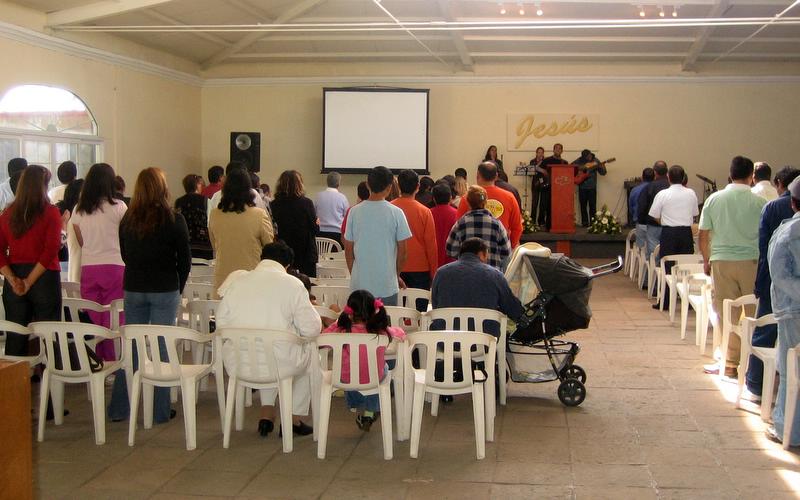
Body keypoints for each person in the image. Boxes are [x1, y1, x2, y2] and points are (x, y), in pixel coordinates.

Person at [108, 167, 191, 423]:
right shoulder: (174, 219)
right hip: (164, 287)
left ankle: (120, 408)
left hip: (134, 286)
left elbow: (125, 254)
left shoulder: (128, 220)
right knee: (162, 347)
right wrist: (177, 287)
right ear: (163, 188)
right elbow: (184, 260)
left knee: (132, 347)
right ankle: (159, 411)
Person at [217, 241, 320, 437]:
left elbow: (221, 324)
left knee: (268, 352)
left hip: (238, 363)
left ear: (261, 259)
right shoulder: (292, 284)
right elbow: (312, 329)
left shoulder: (238, 281)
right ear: (287, 266)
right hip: (279, 363)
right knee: (308, 355)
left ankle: (266, 413)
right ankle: (293, 419)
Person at [699, 156, 767, 377]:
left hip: (722, 261)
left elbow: (703, 234)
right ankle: (755, 364)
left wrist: (707, 260)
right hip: (752, 262)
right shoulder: (760, 202)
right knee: (754, 313)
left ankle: (729, 363)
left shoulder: (714, 199)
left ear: (730, 174)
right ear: (751, 177)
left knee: (726, 313)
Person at [746, 166, 800, 398]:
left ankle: (756, 385)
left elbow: (765, 251)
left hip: (777, 287)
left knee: (766, 334)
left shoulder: (773, 209)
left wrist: (759, 284)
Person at [0, 165, 62, 357]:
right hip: (44, 276)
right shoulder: (50, 212)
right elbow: (51, 249)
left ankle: (15, 375)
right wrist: (29, 281)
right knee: (49, 335)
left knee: (16, 336)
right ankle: (51, 374)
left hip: (15, 274)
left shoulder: (8, 213)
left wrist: (13, 279)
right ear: (43, 186)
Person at [322, 289, 405, 431]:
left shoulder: (341, 331)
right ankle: (370, 412)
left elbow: (323, 339)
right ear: (374, 311)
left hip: (345, 379)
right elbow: (401, 335)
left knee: (353, 371)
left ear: (349, 311)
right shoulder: (380, 331)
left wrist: (337, 323)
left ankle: (357, 404)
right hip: (374, 378)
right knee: (381, 369)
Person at [71, 163, 127, 360]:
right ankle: (113, 360)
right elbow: (126, 238)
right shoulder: (119, 207)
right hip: (115, 266)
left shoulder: (79, 209)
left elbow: (81, 241)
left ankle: (98, 359)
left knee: (94, 316)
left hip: (89, 267)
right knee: (114, 317)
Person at [764, 176, 800, 446]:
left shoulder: (789, 232)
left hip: (793, 311)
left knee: (791, 372)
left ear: (793, 203)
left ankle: (787, 430)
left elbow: (779, 274)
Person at [344, 166, 411, 306]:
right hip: (387, 284)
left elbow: (348, 249)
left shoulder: (354, 212)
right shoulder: (397, 213)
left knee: (360, 320)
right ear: (389, 187)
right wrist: (395, 275)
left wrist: (355, 273)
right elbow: (403, 252)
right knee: (385, 319)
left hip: (359, 285)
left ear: (367, 185)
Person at [432, 237, 524, 337]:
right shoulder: (495, 275)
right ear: (481, 253)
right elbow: (512, 308)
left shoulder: (441, 273)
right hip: (484, 341)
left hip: (444, 339)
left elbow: (435, 306)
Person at [208, 167, 274, 292]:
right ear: (249, 190)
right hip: (251, 277)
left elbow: (214, 245)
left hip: (223, 279)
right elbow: (269, 247)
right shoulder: (259, 215)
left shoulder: (214, 214)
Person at [648, 165, 699, 309]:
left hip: (669, 233)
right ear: (683, 178)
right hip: (685, 233)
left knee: (667, 266)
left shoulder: (663, 194)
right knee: (686, 266)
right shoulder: (691, 193)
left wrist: (665, 221)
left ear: (668, 177)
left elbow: (654, 214)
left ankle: (665, 302)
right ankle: (687, 301)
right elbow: (695, 213)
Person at [391, 170, 438, 297]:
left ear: (399, 186)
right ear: (418, 187)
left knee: (395, 307)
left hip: (394, 267)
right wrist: (434, 273)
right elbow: (431, 246)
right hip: (420, 269)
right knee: (418, 307)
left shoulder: (390, 209)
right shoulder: (425, 212)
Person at [456, 162, 522, 248]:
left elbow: (458, 226)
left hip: (473, 250)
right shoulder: (509, 197)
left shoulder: (467, 198)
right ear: (496, 176)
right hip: (500, 249)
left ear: (477, 175)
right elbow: (517, 228)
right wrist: (510, 247)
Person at [447, 185, 511, 269]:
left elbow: (451, 250)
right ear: (485, 202)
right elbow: (506, 251)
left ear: (468, 202)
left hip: (467, 272)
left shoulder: (460, 224)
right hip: (491, 273)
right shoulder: (497, 224)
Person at [271, 170, 319, 277]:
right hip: (305, 252)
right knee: (306, 282)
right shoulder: (307, 203)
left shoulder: (274, 204)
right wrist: (317, 223)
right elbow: (315, 229)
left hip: (283, 252)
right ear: (299, 185)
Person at [637, 161, 670, 263]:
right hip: (670, 225)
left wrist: (642, 221)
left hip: (653, 225)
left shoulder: (650, 187)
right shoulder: (671, 186)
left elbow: (642, 206)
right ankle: (665, 271)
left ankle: (653, 271)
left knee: (653, 254)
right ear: (667, 172)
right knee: (668, 252)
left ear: (655, 172)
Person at [174, 174, 212, 260]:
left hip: (184, 243)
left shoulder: (179, 202)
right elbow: (210, 222)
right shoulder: (206, 201)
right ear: (197, 185)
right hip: (203, 245)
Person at [573, 149, 607, 228]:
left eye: (589, 156)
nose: (589, 157)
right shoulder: (579, 160)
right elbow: (572, 166)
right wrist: (581, 168)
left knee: (592, 206)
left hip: (592, 187)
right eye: (586, 157)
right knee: (583, 206)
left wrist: (602, 165)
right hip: (582, 186)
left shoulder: (596, 160)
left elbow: (603, 173)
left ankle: (593, 223)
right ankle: (584, 223)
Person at [538, 144, 569, 230]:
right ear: (553, 150)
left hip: (559, 189)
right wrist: (543, 172)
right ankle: (542, 223)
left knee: (554, 207)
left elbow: (567, 175)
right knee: (544, 206)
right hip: (547, 187)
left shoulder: (564, 162)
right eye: (556, 149)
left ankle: (553, 225)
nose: (558, 150)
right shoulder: (547, 160)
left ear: (562, 151)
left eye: (559, 149)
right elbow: (538, 169)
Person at [314, 172, 349, 245]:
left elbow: (314, 215)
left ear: (327, 182)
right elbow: (347, 217)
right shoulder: (342, 198)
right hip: (338, 236)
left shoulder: (318, 196)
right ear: (338, 183)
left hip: (320, 235)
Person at [430, 182, 458, 269]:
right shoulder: (457, 214)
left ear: (434, 199)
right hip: (452, 260)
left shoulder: (428, 213)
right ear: (450, 197)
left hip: (432, 259)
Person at [629, 168, 655, 254]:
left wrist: (635, 217)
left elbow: (631, 207)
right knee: (654, 249)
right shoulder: (656, 189)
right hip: (654, 223)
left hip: (640, 222)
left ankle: (641, 261)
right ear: (654, 177)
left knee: (641, 250)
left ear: (642, 177)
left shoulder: (635, 190)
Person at [529, 146, 546, 222]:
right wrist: (538, 166)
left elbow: (546, 173)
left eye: (542, 153)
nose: (540, 154)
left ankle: (541, 221)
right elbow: (530, 174)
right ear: (536, 153)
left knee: (543, 204)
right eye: (539, 152)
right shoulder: (532, 161)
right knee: (534, 203)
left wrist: (542, 170)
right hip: (535, 184)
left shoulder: (546, 161)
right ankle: (533, 221)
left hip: (543, 184)